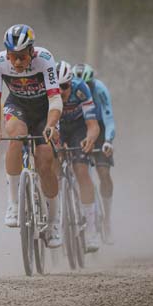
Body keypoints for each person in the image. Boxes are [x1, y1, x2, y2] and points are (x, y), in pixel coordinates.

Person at [0, 24, 64, 248]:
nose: (18, 62)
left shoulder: (45, 59)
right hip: (18, 106)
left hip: (44, 110)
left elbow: (55, 98)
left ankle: (53, 222)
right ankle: (13, 203)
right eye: (13, 56)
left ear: (32, 51)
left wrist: (51, 124)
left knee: (45, 163)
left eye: (22, 56)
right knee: (16, 136)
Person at [54, 60, 102, 251]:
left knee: (81, 170)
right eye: (56, 87)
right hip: (57, 125)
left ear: (71, 83)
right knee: (52, 166)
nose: (60, 92)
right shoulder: (47, 92)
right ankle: (56, 215)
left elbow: (93, 125)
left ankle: (91, 230)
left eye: (64, 87)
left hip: (78, 128)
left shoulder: (81, 89)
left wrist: (90, 138)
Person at [73, 62, 116, 242]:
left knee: (103, 172)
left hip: (99, 128)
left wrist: (108, 141)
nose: (86, 90)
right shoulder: (72, 89)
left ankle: (107, 219)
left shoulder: (100, 89)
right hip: (80, 127)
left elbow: (109, 117)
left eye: (88, 85)